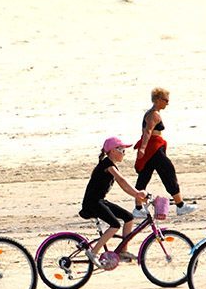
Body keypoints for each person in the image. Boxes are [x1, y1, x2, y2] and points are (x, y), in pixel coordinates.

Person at [81, 137, 148, 264]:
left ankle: (123, 251)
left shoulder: (111, 165)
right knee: (115, 225)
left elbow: (124, 186)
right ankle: (93, 252)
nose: (124, 153)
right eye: (121, 150)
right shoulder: (108, 165)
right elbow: (122, 181)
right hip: (92, 203)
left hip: (100, 200)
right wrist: (137, 194)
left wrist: (136, 195)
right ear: (112, 151)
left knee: (128, 217)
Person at [133, 87, 197, 218]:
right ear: (157, 100)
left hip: (153, 148)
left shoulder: (152, 113)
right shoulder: (153, 114)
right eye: (165, 100)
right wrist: (143, 148)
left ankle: (138, 208)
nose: (167, 103)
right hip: (153, 148)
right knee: (168, 172)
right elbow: (148, 131)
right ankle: (180, 206)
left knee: (144, 177)